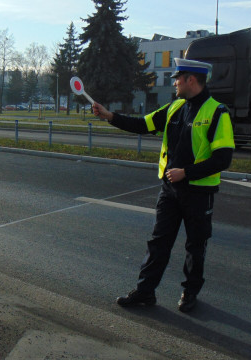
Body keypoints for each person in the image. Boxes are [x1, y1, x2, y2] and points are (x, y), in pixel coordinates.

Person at [92, 58, 235, 313]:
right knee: (158, 242)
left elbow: (223, 159)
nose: (175, 83)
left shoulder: (217, 112)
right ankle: (145, 292)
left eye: (177, 78)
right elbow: (142, 124)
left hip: (199, 192)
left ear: (191, 79)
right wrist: (109, 116)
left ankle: (190, 293)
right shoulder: (175, 108)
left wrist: (187, 173)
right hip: (170, 190)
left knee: (195, 246)